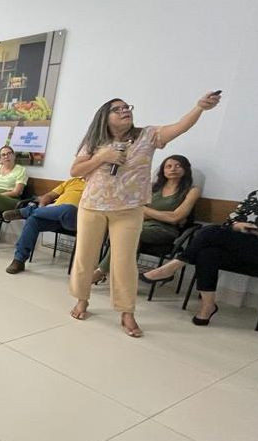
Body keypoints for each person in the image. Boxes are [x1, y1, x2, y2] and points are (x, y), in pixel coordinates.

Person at [67, 92, 220, 337]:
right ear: (104, 117)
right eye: (117, 109)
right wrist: (102, 157)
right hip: (92, 207)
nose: (125, 110)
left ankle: (127, 312)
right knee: (85, 257)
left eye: (126, 107)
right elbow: (75, 170)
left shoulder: (147, 135)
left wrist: (199, 108)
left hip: (128, 210)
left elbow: (180, 127)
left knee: (124, 261)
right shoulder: (95, 141)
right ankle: (82, 299)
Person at [141, 186, 258, 326]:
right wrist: (238, 226)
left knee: (210, 231)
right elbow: (230, 222)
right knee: (207, 253)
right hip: (244, 243)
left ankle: (173, 266)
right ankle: (208, 306)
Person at [91, 155, 201, 283]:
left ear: (186, 169)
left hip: (165, 231)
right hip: (141, 225)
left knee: (128, 233)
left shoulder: (192, 191)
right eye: (168, 166)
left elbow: (176, 217)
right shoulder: (152, 187)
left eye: (178, 166)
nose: (173, 169)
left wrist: (146, 210)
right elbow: (135, 210)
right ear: (163, 170)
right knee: (128, 236)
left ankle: (101, 272)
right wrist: (162, 214)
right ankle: (122, 279)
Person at [3, 177, 86, 273]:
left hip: (77, 219)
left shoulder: (97, 185)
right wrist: (41, 207)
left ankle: (28, 211)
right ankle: (19, 260)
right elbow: (49, 196)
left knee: (68, 209)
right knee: (32, 220)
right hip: (54, 215)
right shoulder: (73, 181)